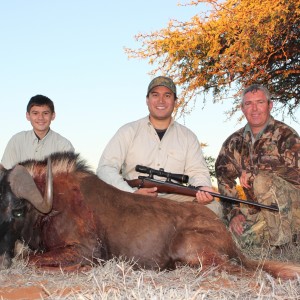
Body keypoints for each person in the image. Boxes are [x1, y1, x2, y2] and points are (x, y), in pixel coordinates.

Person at [97, 76, 222, 217]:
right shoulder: (128, 131)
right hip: (133, 195)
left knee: (214, 208)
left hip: (174, 198)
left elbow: (198, 171)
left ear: (175, 101)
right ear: (147, 100)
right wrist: (131, 193)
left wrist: (202, 188)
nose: (161, 100)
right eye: (155, 95)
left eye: (167, 95)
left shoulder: (188, 137)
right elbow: (105, 168)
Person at [215, 84, 300, 249]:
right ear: (242, 108)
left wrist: (258, 173)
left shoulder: (286, 135)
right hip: (260, 212)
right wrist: (234, 213)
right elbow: (224, 177)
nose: (254, 109)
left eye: (260, 102)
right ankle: (278, 238)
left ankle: (284, 243)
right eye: (248, 104)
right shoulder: (233, 142)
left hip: (293, 208)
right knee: (238, 239)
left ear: (270, 105)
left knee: (261, 181)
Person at [1, 94, 75, 169]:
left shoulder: (64, 146)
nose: (40, 118)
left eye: (45, 113)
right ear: (28, 116)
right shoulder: (17, 140)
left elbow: (69, 177)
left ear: (53, 116)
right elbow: (4, 171)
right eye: (35, 113)